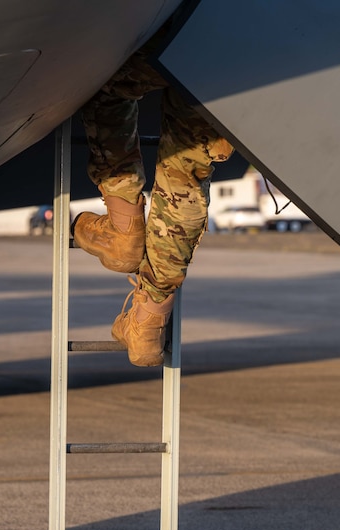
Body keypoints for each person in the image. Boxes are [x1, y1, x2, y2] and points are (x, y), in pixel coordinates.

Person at [73, 44, 234, 366]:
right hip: (227, 54)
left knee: (102, 87)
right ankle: (148, 322)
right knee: (186, 177)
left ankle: (122, 231)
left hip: (168, 40)